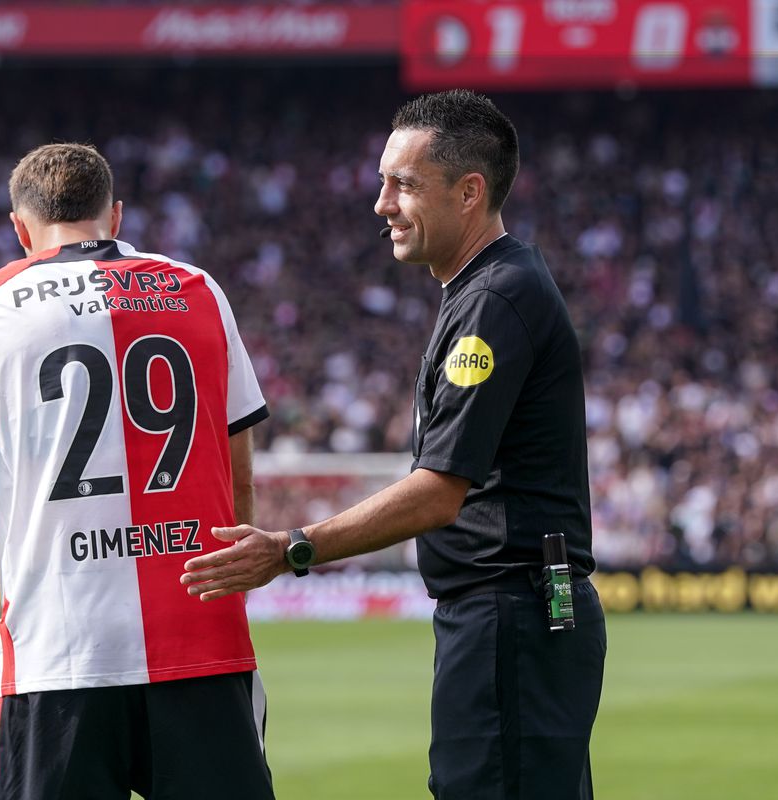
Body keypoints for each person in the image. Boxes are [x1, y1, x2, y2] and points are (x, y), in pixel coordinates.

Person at [180, 90, 607, 799]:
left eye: (403, 184)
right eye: (384, 181)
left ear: (470, 192)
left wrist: (292, 547)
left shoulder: (494, 301)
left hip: (511, 615)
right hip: (517, 615)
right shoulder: (486, 289)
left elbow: (439, 492)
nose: (381, 203)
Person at [0, 142, 274, 799]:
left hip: (59, 653)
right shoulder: (199, 290)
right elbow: (237, 475)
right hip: (201, 643)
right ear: (116, 215)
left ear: (20, 229)